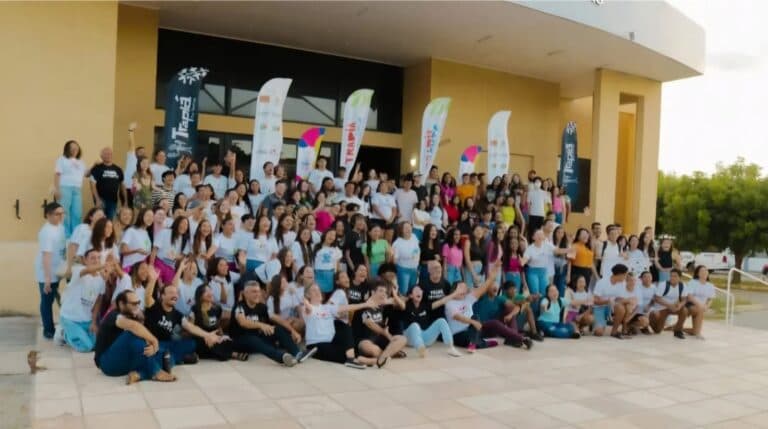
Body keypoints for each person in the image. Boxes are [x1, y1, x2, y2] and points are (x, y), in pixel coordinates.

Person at [94, 290, 175, 384]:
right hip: (107, 363)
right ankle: (155, 371)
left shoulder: (131, 316)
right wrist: (154, 341)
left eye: (138, 303)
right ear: (121, 304)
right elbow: (133, 327)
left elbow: (143, 338)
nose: (137, 307)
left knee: (166, 355)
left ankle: (139, 375)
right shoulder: (114, 316)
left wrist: (153, 348)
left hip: (123, 362)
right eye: (134, 304)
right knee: (132, 333)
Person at [229, 281, 312, 367]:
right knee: (253, 339)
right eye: (254, 291)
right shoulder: (239, 307)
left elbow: (278, 319)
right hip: (240, 341)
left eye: (258, 291)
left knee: (278, 329)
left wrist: (293, 331)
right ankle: (282, 357)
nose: (257, 294)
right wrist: (261, 325)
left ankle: (297, 354)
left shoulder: (261, 307)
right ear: (245, 294)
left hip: (257, 339)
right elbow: (242, 322)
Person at [144, 281, 223, 371]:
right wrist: (152, 279)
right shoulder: (154, 307)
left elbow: (191, 327)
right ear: (162, 296)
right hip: (152, 343)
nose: (175, 295)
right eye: (171, 293)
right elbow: (147, 297)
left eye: (176, 293)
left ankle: (170, 357)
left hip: (168, 344)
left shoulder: (177, 314)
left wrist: (207, 335)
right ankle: (176, 359)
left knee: (192, 344)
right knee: (158, 351)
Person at [302, 283, 376, 369]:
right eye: (314, 290)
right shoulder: (308, 309)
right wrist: (304, 301)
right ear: (308, 295)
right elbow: (306, 306)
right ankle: (362, 360)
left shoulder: (327, 308)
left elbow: (348, 307)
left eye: (318, 290)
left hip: (331, 341)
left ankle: (353, 359)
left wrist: (365, 304)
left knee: (343, 326)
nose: (318, 292)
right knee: (343, 353)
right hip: (316, 345)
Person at [56, 249, 107, 352]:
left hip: (85, 320)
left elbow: (98, 302)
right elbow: (88, 270)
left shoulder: (101, 279)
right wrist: (105, 265)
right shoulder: (79, 270)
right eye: (92, 258)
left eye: (98, 258)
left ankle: (72, 333)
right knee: (86, 347)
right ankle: (63, 333)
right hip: (70, 318)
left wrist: (93, 322)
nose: (96, 260)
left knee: (95, 345)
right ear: (85, 260)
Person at [444, 263, 502, 352]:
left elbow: (483, 288)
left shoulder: (468, 298)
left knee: (476, 317)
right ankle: (482, 343)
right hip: (458, 335)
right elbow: (457, 317)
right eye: (461, 288)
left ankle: (473, 343)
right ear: (454, 290)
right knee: (473, 329)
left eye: (465, 288)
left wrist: (491, 277)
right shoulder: (449, 303)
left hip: (473, 330)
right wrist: (473, 322)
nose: (464, 290)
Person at [353, 281, 408, 368]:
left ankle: (377, 360)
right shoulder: (363, 306)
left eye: (385, 292)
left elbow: (402, 305)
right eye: (381, 291)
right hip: (364, 340)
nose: (384, 294)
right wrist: (385, 333)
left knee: (402, 339)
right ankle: (389, 354)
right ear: (373, 292)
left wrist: (395, 294)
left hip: (379, 339)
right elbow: (369, 323)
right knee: (371, 349)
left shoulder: (382, 304)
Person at [188, 284, 246, 361]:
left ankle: (223, 352)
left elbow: (217, 326)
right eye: (206, 292)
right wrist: (206, 336)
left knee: (227, 341)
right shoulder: (194, 309)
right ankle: (233, 354)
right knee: (212, 344)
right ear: (200, 296)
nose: (209, 293)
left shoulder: (217, 308)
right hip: (201, 338)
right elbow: (191, 329)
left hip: (215, 337)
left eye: (210, 290)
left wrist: (222, 336)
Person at [402, 285, 463, 357]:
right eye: (416, 290)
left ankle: (450, 347)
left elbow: (442, 301)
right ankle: (421, 349)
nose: (419, 292)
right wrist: (405, 298)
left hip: (425, 337)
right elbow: (396, 301)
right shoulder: (405, 305)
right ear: (411, 295)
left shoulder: (425, 305)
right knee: (415, 325)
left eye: (420, 290)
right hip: (410, 338)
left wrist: (455, 293)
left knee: (441, 321)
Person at [36, 202, 67, 339]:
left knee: (59, 298)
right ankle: (48, 331)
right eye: (57, 214)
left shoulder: (60, 227)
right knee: (47, 301)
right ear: (48, 215)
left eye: (62, 213)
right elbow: (46, 256)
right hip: (47, 272)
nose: (60, 216)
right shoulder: (46, 232)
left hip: (58, 270)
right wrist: (47, 279)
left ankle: (63, 327)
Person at [473, 279, 533, 349]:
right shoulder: (481, 297)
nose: (495, 287)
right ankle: (521, 338)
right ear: (486, 287)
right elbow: (475, 290)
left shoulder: (499, 299)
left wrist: (510, 315)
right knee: (495, 322)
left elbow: (516, 307)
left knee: (509, 310)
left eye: (496, 286)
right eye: (492, 286)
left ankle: (512, 339)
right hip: (480, 328)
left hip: (493, 330)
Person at [55, 140, 89, 236]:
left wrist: (95, 165)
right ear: (67, 149)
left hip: (77, 189)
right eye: (72, 147)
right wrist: (57, 189)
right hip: (65, 188)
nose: (75, 149)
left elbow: (86, 174)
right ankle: (65, 235)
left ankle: (76, 235)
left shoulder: (81, 162)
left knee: (77, 213)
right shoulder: (62, 159)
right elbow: (57, 174)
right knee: (64, 212)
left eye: (76, 147)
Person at [592, 263, 632, 339]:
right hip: (599, 307)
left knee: (622, 307)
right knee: (599, 333)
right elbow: (595, 300)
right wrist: (607, 301)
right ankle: (598, 323)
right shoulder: (602, 282)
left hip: (612, 307)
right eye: (625, 275)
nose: (626, 277)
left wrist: (628, 301)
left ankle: (614, 331)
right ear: (620, 274)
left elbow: (620, 299)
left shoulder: (623, 283)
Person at [649, 268, 688, 338]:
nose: (672, 278)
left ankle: (678, 331)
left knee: (684, 310)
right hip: (662, 308)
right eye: (671, 276)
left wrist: (680, 305)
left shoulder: (682, 285)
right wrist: (669, 305)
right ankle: (651, 319)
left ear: (680, 277)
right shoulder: (663, 284)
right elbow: (657, 298)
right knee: (657, 331)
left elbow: (684, 299)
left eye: (675, 276)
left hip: (673, 307)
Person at [90, 147, 126, 220]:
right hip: (101, 200)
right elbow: (92, 184)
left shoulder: (118, 169)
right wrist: (97, 199)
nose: (108, 155)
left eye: (110, 154)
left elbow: (122, 186)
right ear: (101, 156)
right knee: (99, 221)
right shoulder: (97, 168)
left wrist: (125, 201)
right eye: (106, 154)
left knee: (109, 221)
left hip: (113, 201)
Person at [683, 265, 715, 339]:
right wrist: (700, 305)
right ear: (698, 273)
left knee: (694, 331)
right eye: (702, 271)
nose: (704, 272)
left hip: (701, 307)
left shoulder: (710, 285)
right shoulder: (693, 282)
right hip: (690, 305)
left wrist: (707, 306)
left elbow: (710, 299)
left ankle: (677, 328)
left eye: (706, 271)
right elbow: (690, 297)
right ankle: (698, 333)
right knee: (700, 309)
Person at [392, 222, 420, 295]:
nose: (408, 229)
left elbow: (417, 252)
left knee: (412, 291)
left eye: (409, 227)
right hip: (403, 270)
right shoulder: (397, 243)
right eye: (406, 228)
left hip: (414, 269)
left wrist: (416, 266)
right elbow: (394, 261)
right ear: (401, 230)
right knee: (403, 292)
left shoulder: (414, 237)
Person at [314, 229, 343, 294]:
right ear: (325, 234)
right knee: (318, 294)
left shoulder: (336, 249)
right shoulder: (317, 247)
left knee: (329, 294)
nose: (331, 237)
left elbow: (338, 266)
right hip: (318, 275)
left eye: (333, 235)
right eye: (330, 234)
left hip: (330, 276)